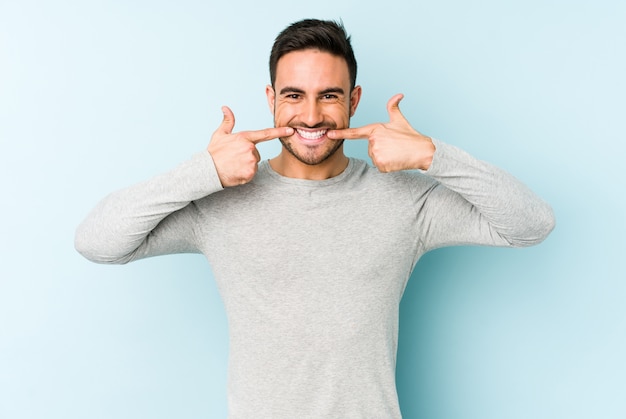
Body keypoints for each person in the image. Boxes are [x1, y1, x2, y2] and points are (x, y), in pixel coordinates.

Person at [75, 18, 555, 419]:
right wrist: (203, 171)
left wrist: (432, 155)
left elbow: (532, 224)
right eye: (294, 95)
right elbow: (97, 241)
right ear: (270, 100)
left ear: (353, 99)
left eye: (329, 95)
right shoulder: (219, 203)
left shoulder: (405, 201)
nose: (311, 116)